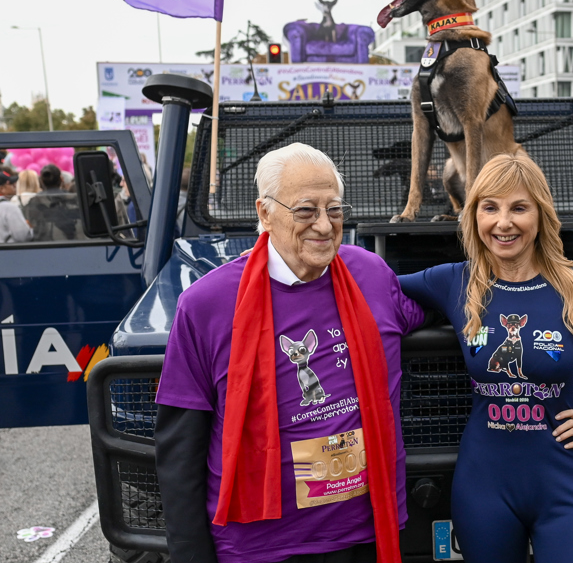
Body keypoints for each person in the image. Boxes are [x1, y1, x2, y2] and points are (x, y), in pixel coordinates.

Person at [154, 143, 424, 563]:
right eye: (305, 211)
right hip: (262, 546)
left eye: (334, 210)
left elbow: (453, 297)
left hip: (366, 531)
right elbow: (180, 447)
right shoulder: (207, 303)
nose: (323, 225)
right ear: (265, 213)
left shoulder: (370, 274)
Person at [398, 154, 573, 563]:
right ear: (473, 215)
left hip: (564, 483)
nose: (503, 223)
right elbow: (369, 286)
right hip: (484, 485)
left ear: (540, 215)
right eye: (490, 207)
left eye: (519, 208)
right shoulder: (454, 281)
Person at [25, 164, 83, 242]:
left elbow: (31, 224)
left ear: (41, 181)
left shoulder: (34, 201)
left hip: (43, 246)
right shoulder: (74, 199)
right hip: (74, 244)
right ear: (61, 179)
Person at [0, 171, 33, 243]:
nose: (15, 186)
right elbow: (23, 236)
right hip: (11, 250)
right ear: (1, 188)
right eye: (10, 184)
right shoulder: (10, 207)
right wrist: (31, 228)